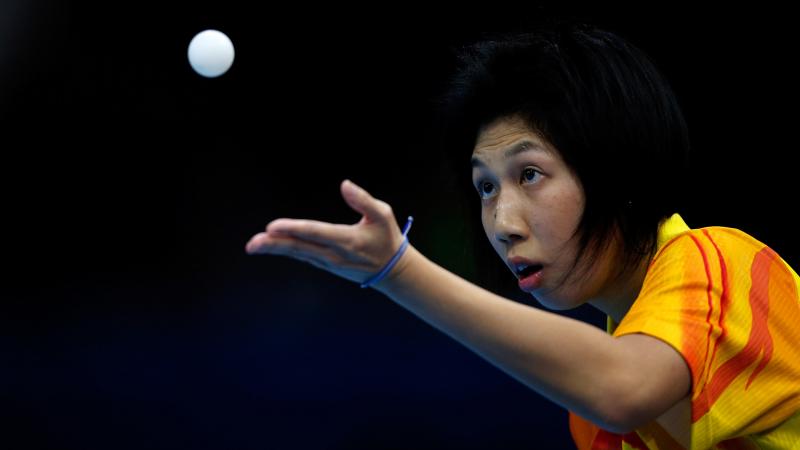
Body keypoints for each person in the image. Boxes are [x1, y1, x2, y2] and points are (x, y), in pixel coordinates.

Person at [244, 21, 800, 449]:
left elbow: (622, 387)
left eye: (529, 174)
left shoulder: (724, 264)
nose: (503, 224)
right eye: (485, 189)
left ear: (613, 169)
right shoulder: (590, 413)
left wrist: (399, 271)